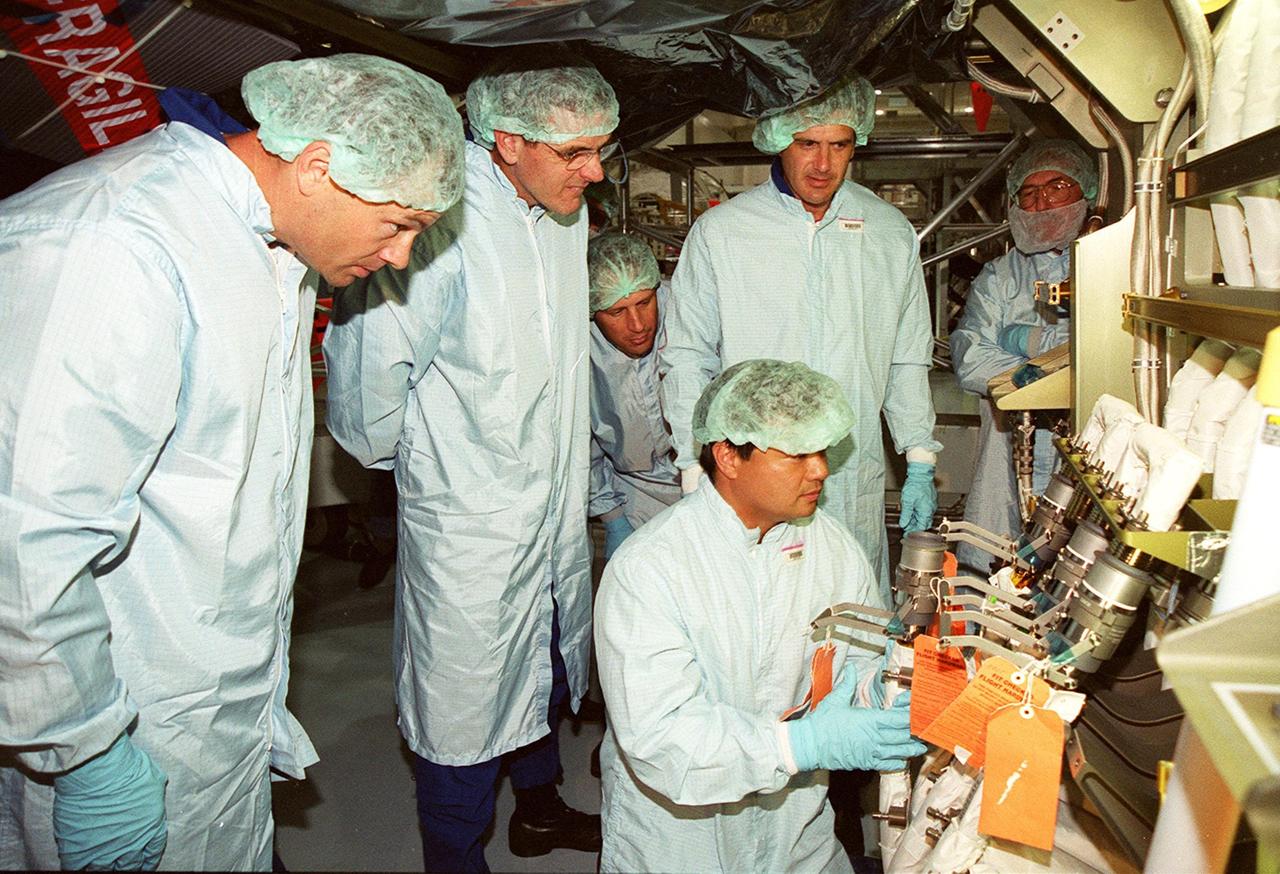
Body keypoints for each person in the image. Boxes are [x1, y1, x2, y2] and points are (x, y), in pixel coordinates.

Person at [0, 54, 463, 871]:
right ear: (318, 167)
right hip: (112, 724)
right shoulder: (109, 245)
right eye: (397, 225)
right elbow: (23, 544)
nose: (398, 258)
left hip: (204, 706)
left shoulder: (265, 245)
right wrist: (85, 754)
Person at [322, 53, 619, 872]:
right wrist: (434, 467)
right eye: (575, 153)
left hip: (550, 510)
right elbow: (366, 384)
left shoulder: (565, 217)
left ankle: (539, 810)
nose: (595, 171)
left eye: (602, 148)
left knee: (550, 668)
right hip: (471, 521)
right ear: (509, 141)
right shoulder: (434, 224)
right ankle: (455, 859)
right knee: (463, 702)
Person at [596, 359, 925, 872]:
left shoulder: (833, 548)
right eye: (797, 453)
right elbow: (662, 738)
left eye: (820, 450)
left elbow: (864, 659)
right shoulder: (650, 569)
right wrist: (804, 744)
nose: (819, 468)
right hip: (681, 836)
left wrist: (881, 694)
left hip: (796, 828)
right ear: (727, 455)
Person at [661, 74, 942, 597]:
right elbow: (687, 355)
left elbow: (906, 356)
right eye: (807, 143)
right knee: (760, 617)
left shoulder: (887, 231)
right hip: (756, 471)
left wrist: (919, 454)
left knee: (850, 614)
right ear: (776, 140)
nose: (823, 164)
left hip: (849, 469)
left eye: (839, 145)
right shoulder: (725, 232)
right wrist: (689, 461)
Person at [949, 138, 1097, 575]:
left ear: (1085, 194)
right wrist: (1043, 370)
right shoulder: (1000, 277)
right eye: (1028, 194)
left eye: (1056, 187)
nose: (1041, 203)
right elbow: (972, 359)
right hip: (1008, 444)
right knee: (994, 567)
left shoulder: (1108, 263)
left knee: (1080, 569)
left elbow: (1106, 353)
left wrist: (1025, 341)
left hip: (1087, 438)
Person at [587, 232, 682, 560]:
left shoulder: (687, 314)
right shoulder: (577, 346)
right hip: (633, 490)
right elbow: (578, 446)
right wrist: (612, 519)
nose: (638, 324)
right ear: (591, 312)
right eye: (617, 312)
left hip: (704, 478)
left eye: (644, 303)